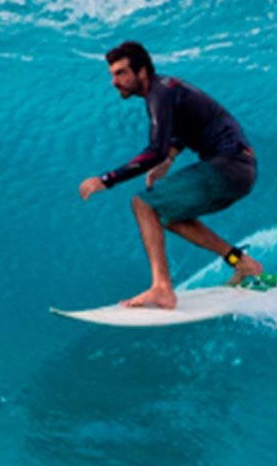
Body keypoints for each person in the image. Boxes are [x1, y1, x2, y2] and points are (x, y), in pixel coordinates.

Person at [77, 40, 265, 308]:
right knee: (167, 216)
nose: (114, 82)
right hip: (240, 171)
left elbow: (155, 149)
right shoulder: (167, 90)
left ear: (141, 71)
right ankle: (242, 262)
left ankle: (162, 287)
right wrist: (171, 157)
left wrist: (106, 180)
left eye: (121, 73)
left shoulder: (159, 94)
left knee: (142, 204)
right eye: (112, 75)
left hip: (229, 164)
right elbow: (192, 123)